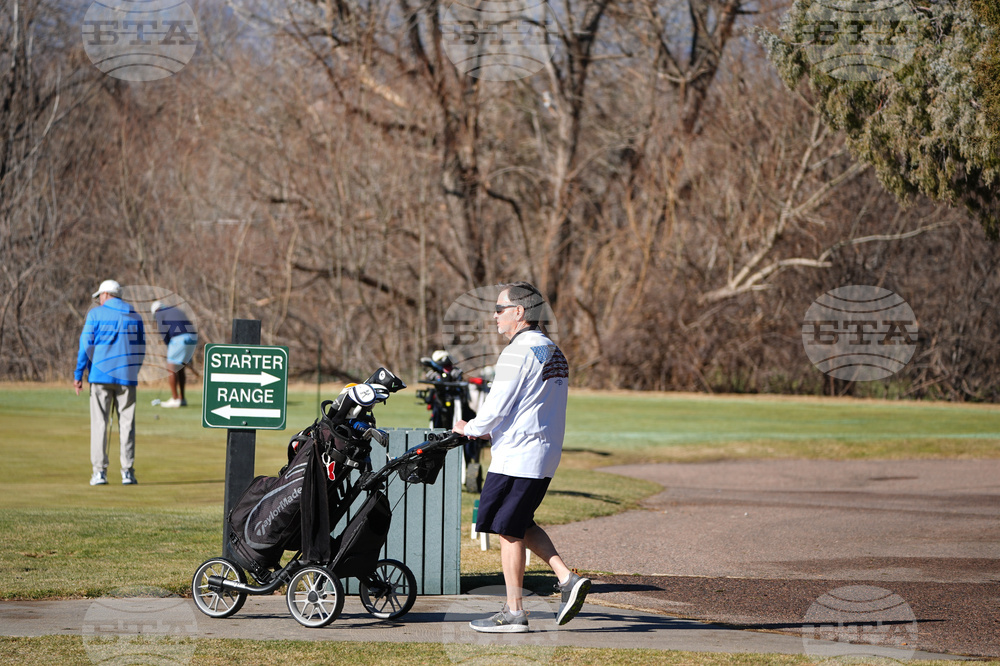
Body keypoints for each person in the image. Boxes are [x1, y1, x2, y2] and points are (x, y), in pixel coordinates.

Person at [453, 281, 590, 633]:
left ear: (519, 311)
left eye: (500, 309)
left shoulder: (518, 352)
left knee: (508, 528)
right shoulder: (552, 350)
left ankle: (514, 613)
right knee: (520, 522)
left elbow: (496, 407)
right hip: (542, 452)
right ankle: (566, 578)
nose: (495, 316)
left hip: (518, 454)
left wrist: (469, 427)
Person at [74, 280, 146, 486]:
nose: (99, 300)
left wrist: (79, 373)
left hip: (100, 376)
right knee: (127, 424)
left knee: (100, 423)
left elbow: (85, 345)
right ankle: (127, 472)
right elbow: (141, 348)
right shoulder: (134, 315)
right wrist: (133, 370)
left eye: (100, 296)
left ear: (106, 294)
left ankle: (99, 472)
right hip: (127, 377)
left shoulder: (96, 314)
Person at [151, 300, 198, 408]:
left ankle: (175, 398)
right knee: (180, 368)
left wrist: (168, 344)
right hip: (192, 338)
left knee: (171, 367)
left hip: (179, 338)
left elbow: (163, 331)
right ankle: (182, 399)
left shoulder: (159, 313)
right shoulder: (174, 309)